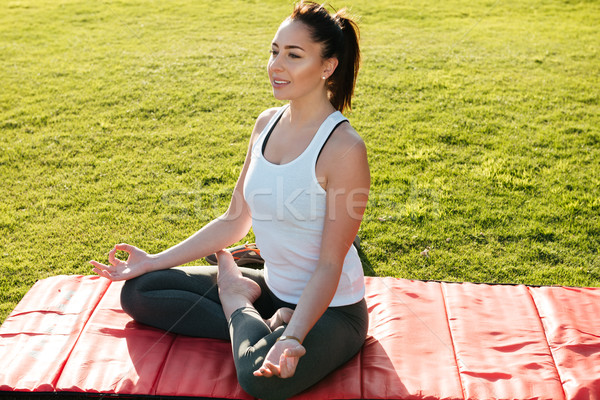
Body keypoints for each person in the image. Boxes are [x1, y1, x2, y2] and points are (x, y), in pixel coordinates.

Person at [90, 2, 369, 399]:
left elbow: (329, 264)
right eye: (274, 51)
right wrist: (153, 260)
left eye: (293, 55)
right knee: (140, 291)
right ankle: (258, 315)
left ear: (327, 67)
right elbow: (235, 220)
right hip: (272, 285)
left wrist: (291, 336)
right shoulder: (265, 124)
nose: (276, 65)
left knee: (262, 380)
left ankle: (241, 305)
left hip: (332, 310)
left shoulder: (344, 148)